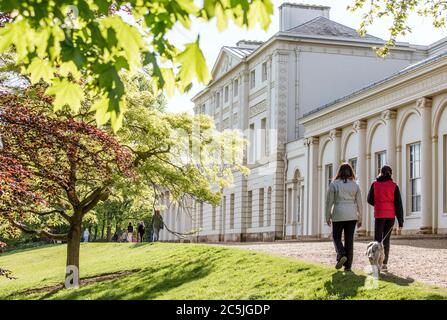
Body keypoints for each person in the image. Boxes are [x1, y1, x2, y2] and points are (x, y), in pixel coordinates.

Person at [325, 163, 363, 272]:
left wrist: (327, 216)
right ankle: (348, 267)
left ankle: (341, 254)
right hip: (351, 214)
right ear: (351, 172)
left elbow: (329, 202)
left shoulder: (334, 184)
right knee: (349, 240)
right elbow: (360, 203)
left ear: (339, 172)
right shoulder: (355, 185)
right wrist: (360, 218)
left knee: (336, 236)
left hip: (338, 213)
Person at [367, 165, 404, 272]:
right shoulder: (394, 186)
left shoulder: (375, 184)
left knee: (377, 240)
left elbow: (369, 199)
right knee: (386, 240)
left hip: (379, 214)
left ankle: (376, 263)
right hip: (390, 215)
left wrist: (378, 204)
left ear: (381, 173)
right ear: (390, 174)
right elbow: (398, 204)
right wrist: (400, 221)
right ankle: (384, 263)